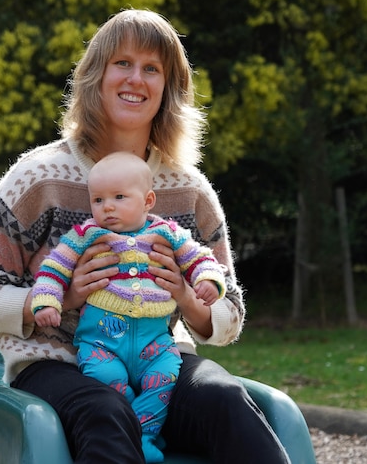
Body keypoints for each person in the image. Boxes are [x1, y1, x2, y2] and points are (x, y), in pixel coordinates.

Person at [0, 8, 290, 463]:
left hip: (160, 360)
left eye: (152, 69)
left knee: (227, 401)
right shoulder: (37, 179)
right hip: (56, 366)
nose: (136, 79)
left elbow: (230, 310)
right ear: (97, 76)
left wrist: (189, 300)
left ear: (168, 90)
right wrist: (61, 298)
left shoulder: (187, 190)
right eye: (123, 63)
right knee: (105, 410)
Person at [30, 151, 226, 462]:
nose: (107, 207)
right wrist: (47, 299)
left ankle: (144, 435)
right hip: (102, 342)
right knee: (108, 383)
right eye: (98, 200)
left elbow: (200, 257)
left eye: (119, 197)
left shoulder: (167, 233)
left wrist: (208, 280)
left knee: (164, 380)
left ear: (148, 200)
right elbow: (54, 268)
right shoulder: (86, 235)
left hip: (156, 343)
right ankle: (132, 432)